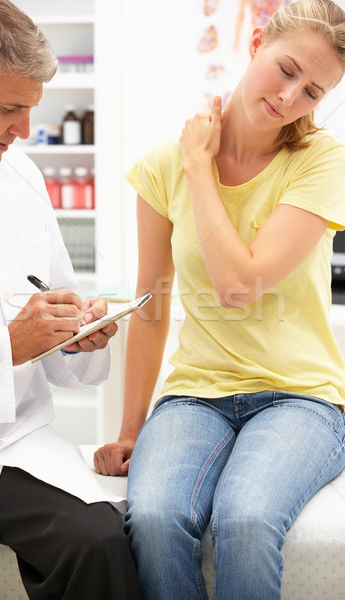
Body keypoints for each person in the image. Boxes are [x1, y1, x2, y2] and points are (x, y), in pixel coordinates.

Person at [94, 1, 345, 598]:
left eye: (313, 91)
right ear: (256, 41)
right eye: (286, 70)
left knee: (247, 520)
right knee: (153, 520)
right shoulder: (161, 166)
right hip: (195, 396)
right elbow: (151, 306)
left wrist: (201, 169)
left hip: (301, 398)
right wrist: (130, 432)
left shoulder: (321, 162)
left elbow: (239, 286)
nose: (290, 97)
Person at [0, 1, 142, 599]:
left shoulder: (20, 176)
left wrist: (77, 335)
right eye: (10, 108)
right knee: (94, 544)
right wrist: (7, 346)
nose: (24, 129)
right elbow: (12, 342)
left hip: (22, 439)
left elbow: (53, 327)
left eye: (32, 108)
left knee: (113, 537)